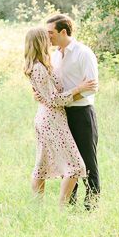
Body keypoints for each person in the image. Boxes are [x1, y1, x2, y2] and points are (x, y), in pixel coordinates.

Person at [24, 27, 97, 205]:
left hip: (50, 117)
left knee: (41, 164)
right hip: (52, 119)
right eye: (46, 37)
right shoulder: (39, 68)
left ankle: (37, 206)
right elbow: (55, 100)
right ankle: (62, 208)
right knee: (76, 167)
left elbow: (49, 94)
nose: (50, 39)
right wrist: (79, 89)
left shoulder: (45, 62)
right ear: (41, 41)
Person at [45, 13, 100, 209]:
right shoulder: (54, 56)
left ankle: (92, 206)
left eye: (51, 33)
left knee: (87, 163)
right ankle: (70, 206)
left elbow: (92, 87)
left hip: (82, 113)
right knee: (69, 164)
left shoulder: (83, 53)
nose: (48, 36)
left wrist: (67, 99)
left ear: (63, 31)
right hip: (61, 115)